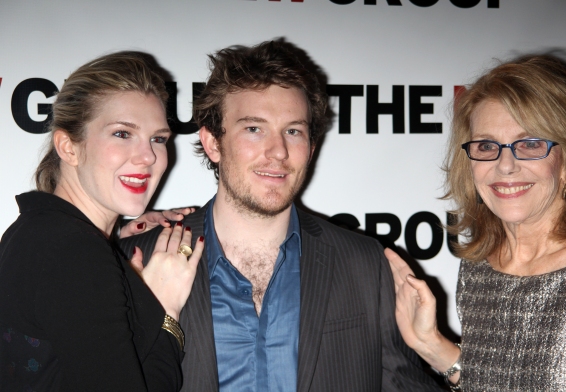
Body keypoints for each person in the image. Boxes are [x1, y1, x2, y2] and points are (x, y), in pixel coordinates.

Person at [120, 39, 442, 391]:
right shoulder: (137, 260)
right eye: (254, 128)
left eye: (293, 131)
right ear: (213, 143)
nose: (278, 152)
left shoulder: (365, 263)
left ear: (312, 147)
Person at [385, 55, 566, 391]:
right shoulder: (478, 271)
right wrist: (430, 344)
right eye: (487, 146)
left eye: (529, 143)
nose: (505, 165)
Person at [0, 52, 203, 391]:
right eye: (122, 134)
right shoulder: (74, 251)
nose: (148, 156)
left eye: (158, 138)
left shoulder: (35, 233)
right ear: (68, 147)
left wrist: (114, 244)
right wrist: (165, 311)